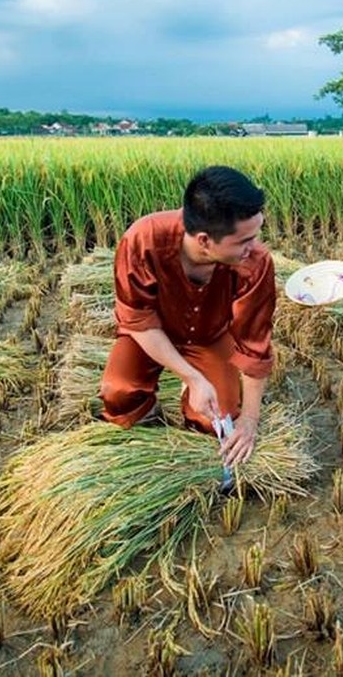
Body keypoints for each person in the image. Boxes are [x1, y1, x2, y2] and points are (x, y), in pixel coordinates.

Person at [99, 166, 276, 466]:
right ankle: (150, 424)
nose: (254, 247)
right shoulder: (142, 241)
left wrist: (250, 420)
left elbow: (254, 345)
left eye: (256, 235)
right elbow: (138, 320)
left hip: (211, 336)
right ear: (205, 240)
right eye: (244, 240)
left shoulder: (256, 263)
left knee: (215, 423)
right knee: (119, 394)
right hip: (152, 335)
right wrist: (192, 378)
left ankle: (197, 407)